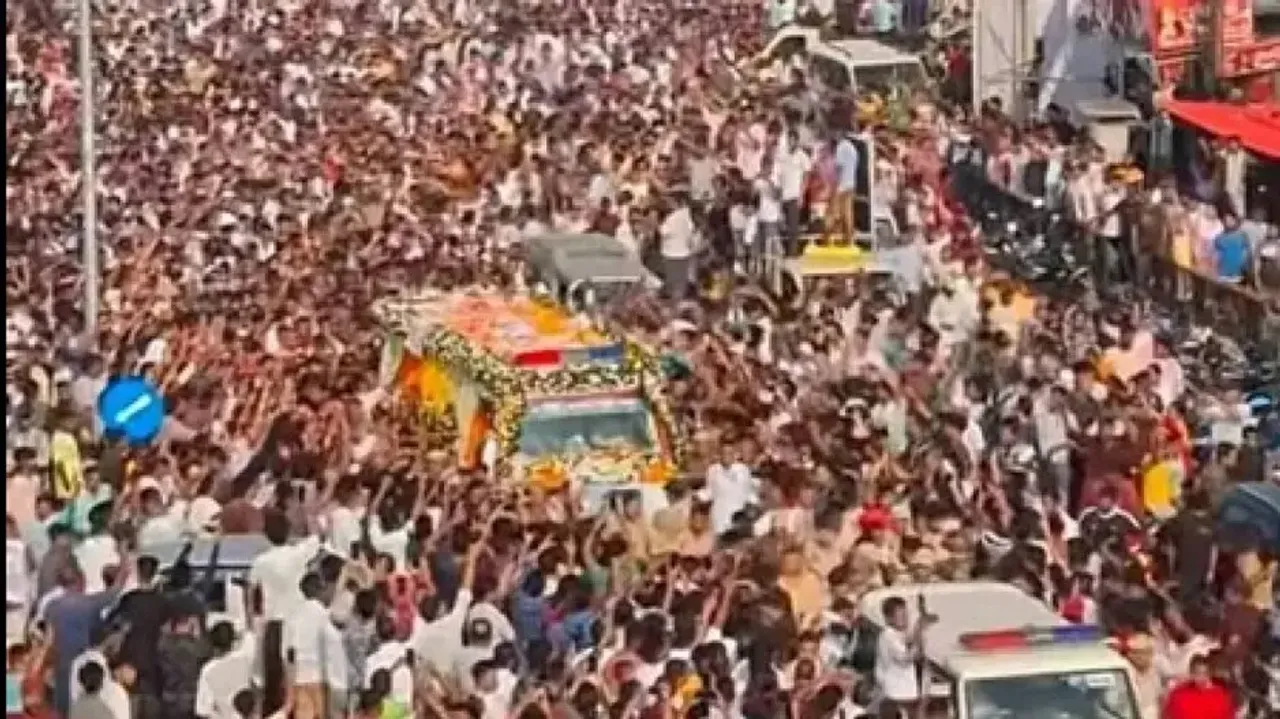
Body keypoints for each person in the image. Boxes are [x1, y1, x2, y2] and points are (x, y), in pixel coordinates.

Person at [873, 595, 937, 714]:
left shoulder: (903, 634)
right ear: (889, 618)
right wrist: (918, 632)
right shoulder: (888, 636)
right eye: (901, 616)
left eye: (906, 615)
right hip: (899, 693)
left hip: (915, 692)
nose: (906, 619)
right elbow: (904, 658)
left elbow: (915, 645)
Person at [1163, 654, 1235, 719]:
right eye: (1198, 673)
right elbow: (1168, 715)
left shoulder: (1221, 696)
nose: (1202, 677)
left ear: (1210, 674)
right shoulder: (1178, 694)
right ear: (1191, 673)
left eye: (1205, 673)